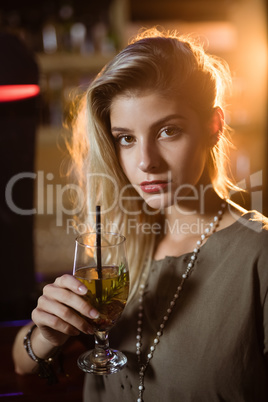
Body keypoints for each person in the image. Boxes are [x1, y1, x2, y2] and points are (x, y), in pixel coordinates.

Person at [12, 27, 268, 401]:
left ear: (213, 127)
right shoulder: (114, 241)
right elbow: (22, 363)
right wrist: (47, 334)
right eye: (126, 138)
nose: (146, 162)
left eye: (168, 131)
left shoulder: (258, 254)